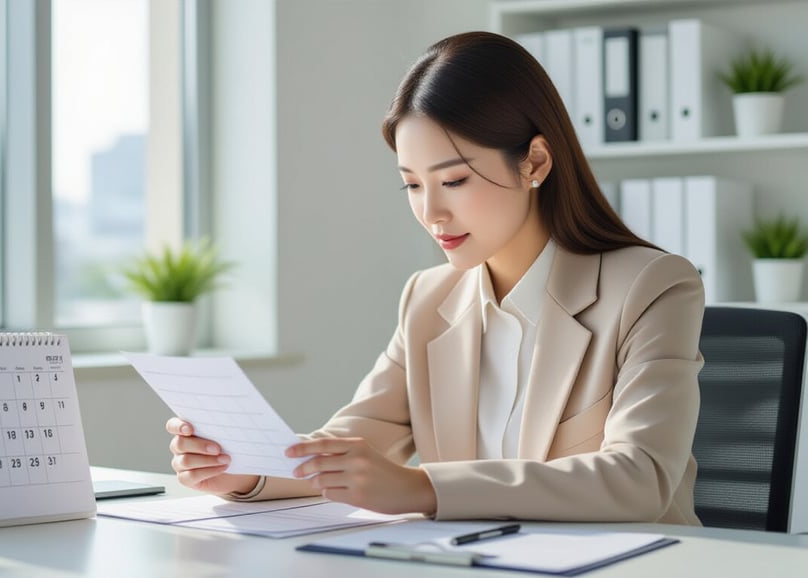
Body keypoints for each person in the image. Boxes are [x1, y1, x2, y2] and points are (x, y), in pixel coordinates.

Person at [166, 31, 705, 523]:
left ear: (535, 162)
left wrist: (423, 487)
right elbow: (355, 445)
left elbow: (640, 478)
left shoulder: (652, 286)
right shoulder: (428, 299)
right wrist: (249, 470)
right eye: (413, 186)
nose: (432, 214)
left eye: (453, 180)